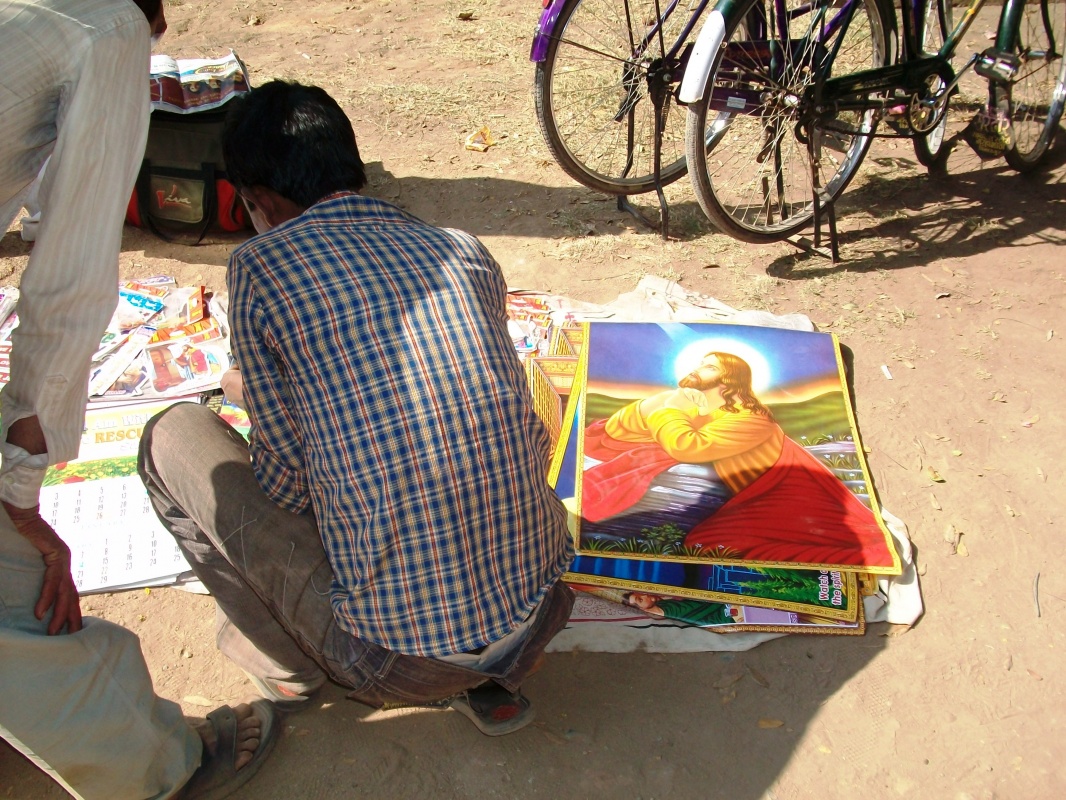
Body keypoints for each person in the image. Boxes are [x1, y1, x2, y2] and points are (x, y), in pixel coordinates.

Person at [137, 80, 576, 736]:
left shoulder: (262, 266)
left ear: (259, 202)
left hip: (397, 661)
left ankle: (289, 664)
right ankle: (487, 675)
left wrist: (255, 395)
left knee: (169, 435)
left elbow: (286, 487)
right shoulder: (462, 248)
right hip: (542, 613)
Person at [0, 2, 278, 798]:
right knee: (17, 594)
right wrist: (21, 488)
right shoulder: (107, 26)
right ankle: (151, 767)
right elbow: (69, 280)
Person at [582, 351, 895, 567]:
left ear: (729, 380)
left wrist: (669, 410)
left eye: (709, 367)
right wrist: (653, 405)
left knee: (711, 544)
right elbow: (613, 435)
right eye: (700, 363)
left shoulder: (750, 419)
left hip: (787, 499)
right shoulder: (704, 408)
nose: (696, 369)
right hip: (750, 494)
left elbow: (686, 446)